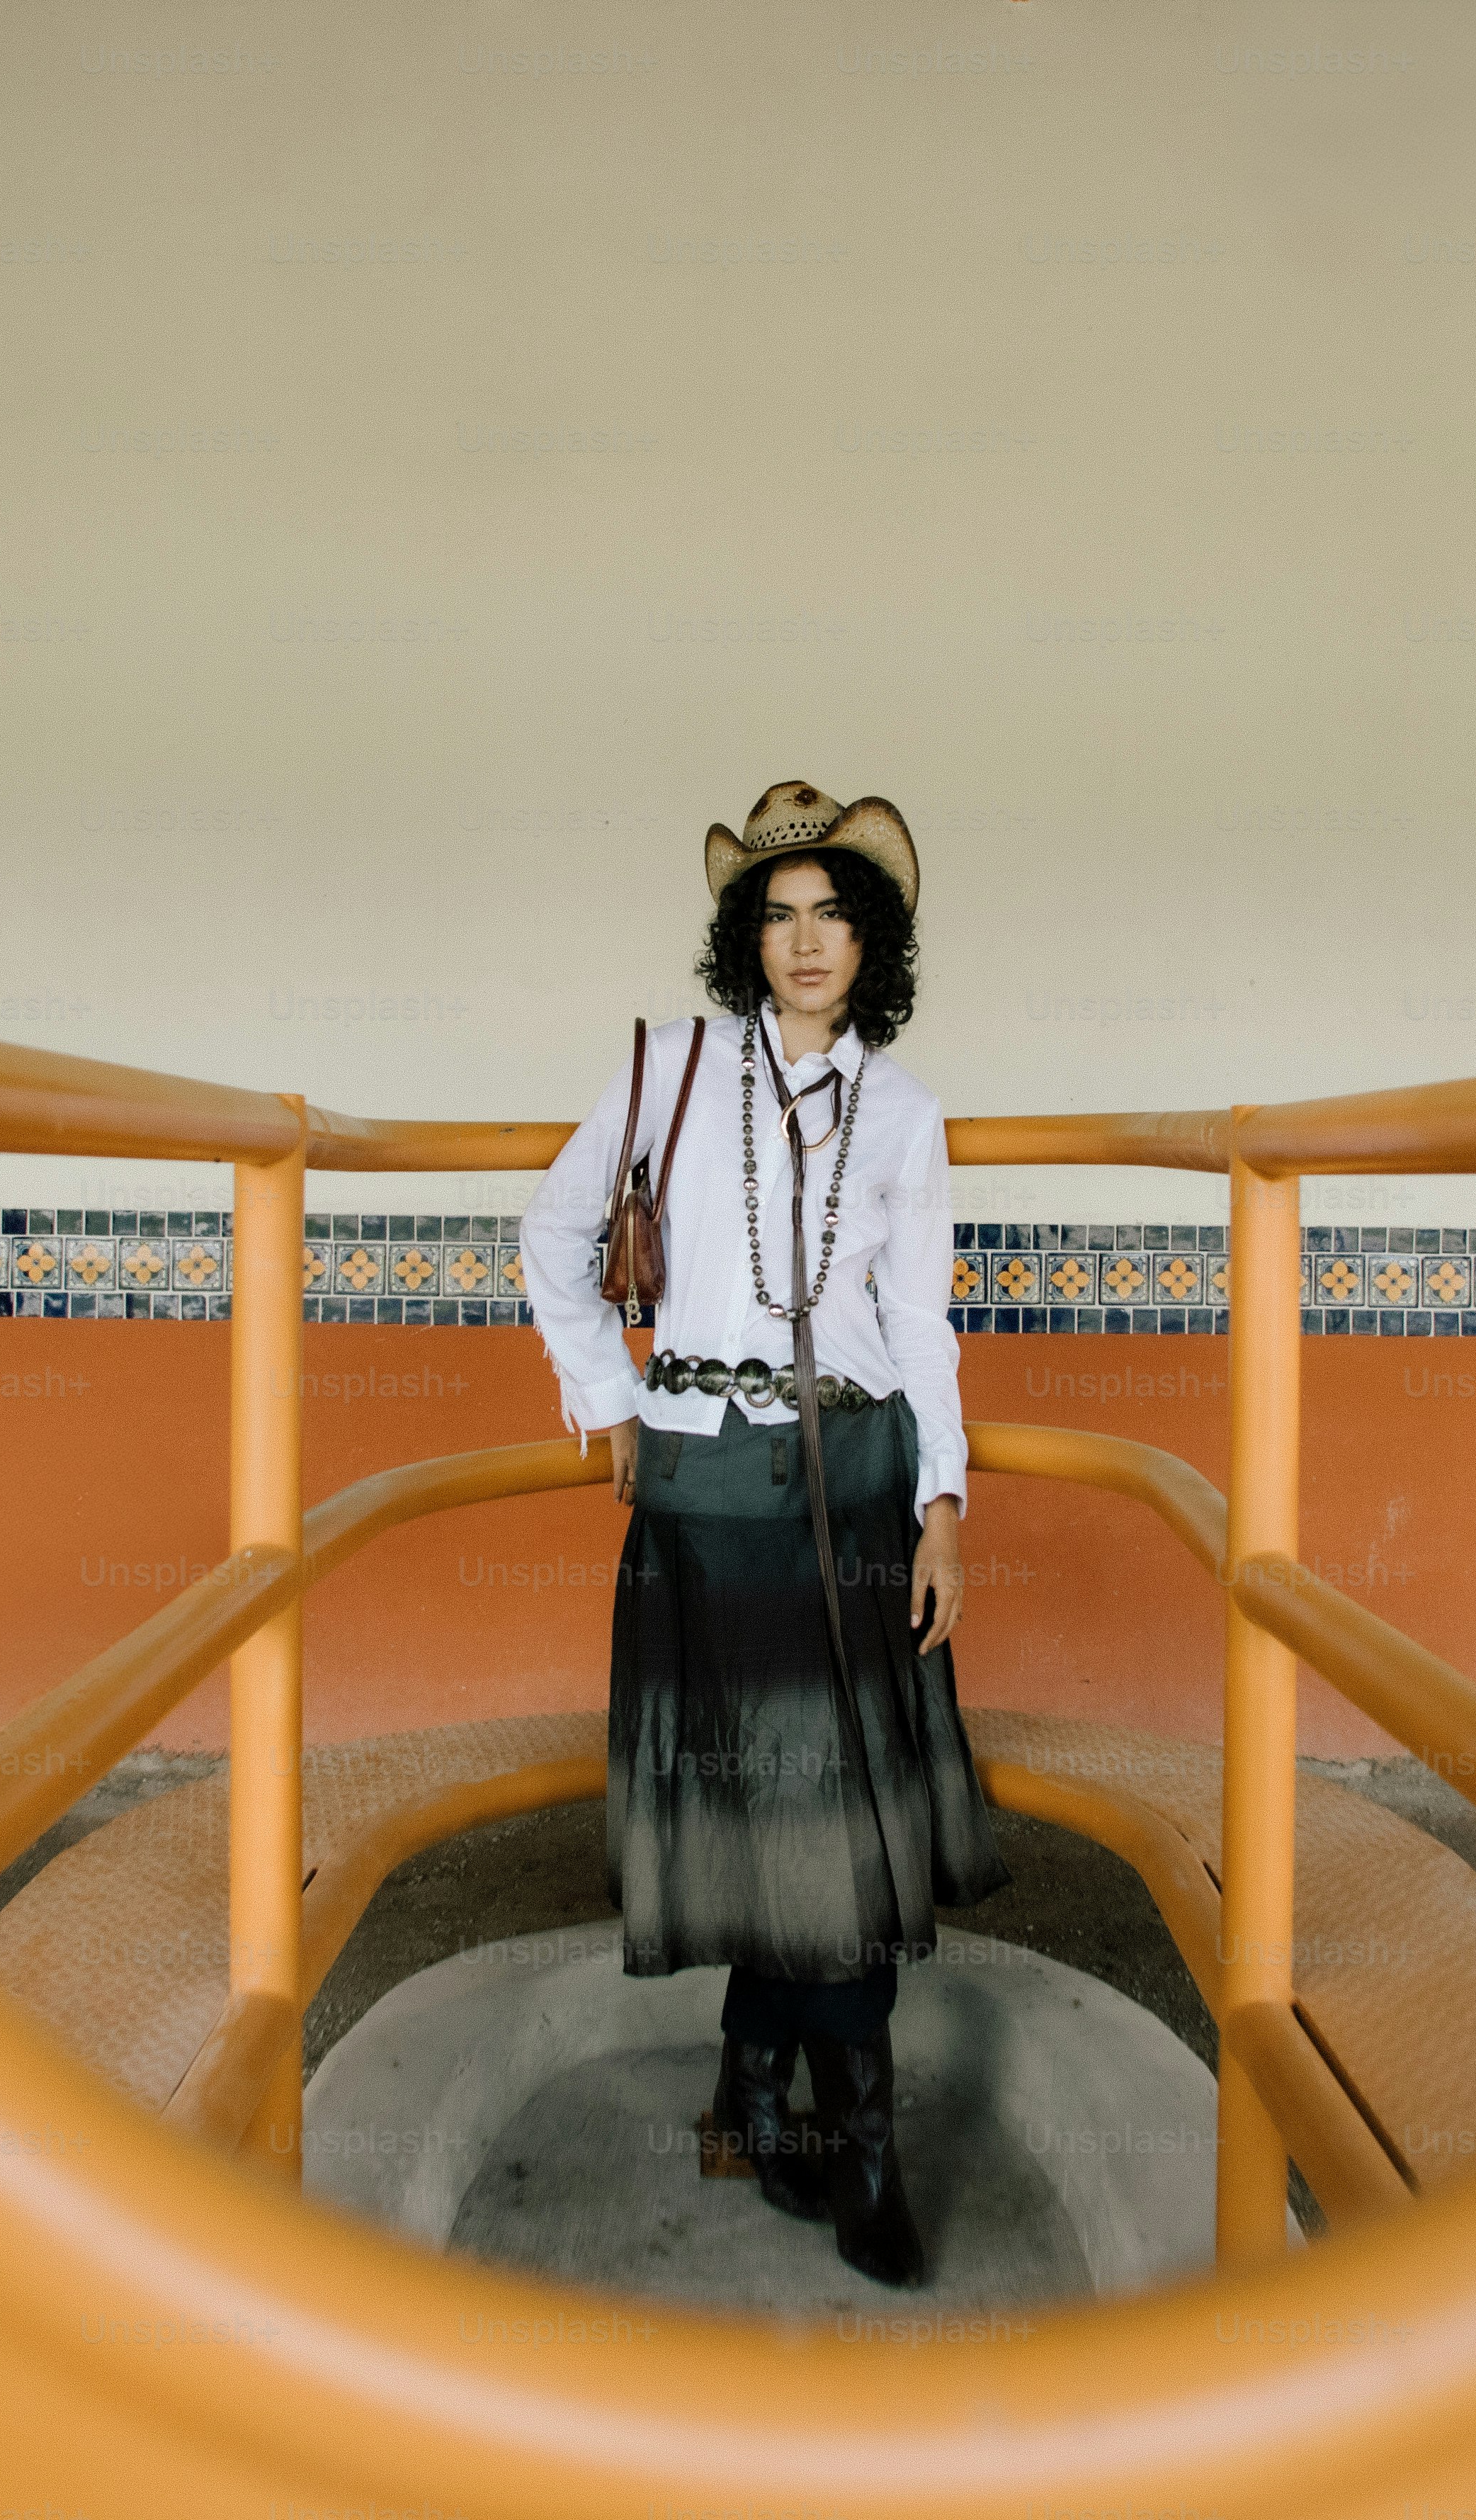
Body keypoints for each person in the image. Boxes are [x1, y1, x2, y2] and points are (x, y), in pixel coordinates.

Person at [518, 779, 1009, 2290]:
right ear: (747, 934)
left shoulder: (907, 1112)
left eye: (833, 914)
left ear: (874, 943)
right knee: (761, 1809)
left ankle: (791, 2114)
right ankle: (797, 2118)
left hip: (853, 1484)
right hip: (703, 1492)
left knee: (834, 1824)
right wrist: (613, 1400)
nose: (806, 941)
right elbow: (553, 1232)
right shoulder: (669, 1064)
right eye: (779, 914)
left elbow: (917, 1323)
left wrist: (941, 1504)